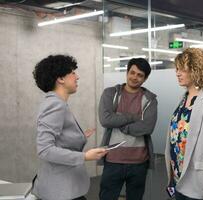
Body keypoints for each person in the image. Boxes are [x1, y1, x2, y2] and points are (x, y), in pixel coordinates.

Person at [32, 55, 107, 200]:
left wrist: (79, 136)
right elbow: (45, 149)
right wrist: (85, 156)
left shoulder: (55, 103)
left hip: (62, 188)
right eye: (73, 72)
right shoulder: (55, 105)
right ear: (60, 79)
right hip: (59, 191)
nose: (77, 77)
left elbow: (57, 139)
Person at [165, 48, 203, 200]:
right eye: (177, 69)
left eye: (182, 70)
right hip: (178, 177)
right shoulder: (183, 98)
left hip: (199, 180)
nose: (177, 73)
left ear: (196, 70)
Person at [98, 58, 158, 200]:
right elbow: (106, 120)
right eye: (132, 72)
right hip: (113, 160)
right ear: (127, 72)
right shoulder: (110, 93)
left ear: (145, 78)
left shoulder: (150, 99)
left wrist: (118, 121)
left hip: (139, 162)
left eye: (140, 75)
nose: (135, 77)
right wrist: (134, 117)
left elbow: (147, 127)